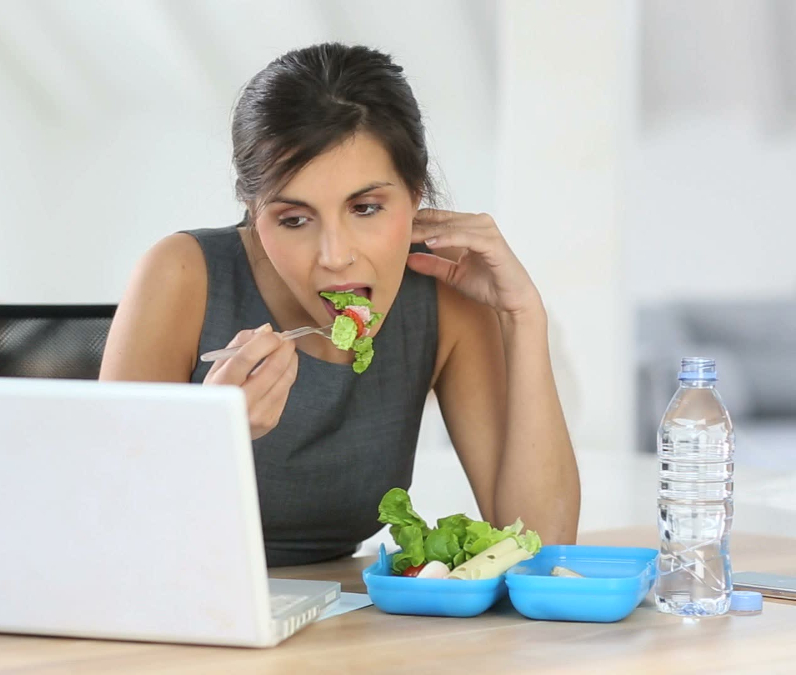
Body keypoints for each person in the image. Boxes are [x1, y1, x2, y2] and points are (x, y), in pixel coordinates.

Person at [100, 43, 580, 566]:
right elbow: (106, 537)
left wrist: (523, 316)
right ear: (253, 211)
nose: (335, 257)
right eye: (294, 220)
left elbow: (540, 547)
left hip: (343, 609)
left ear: (415, 194)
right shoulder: (180, 275)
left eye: (366, 208)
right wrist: (210, 442)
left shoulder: (444, 290)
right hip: (186, 600)